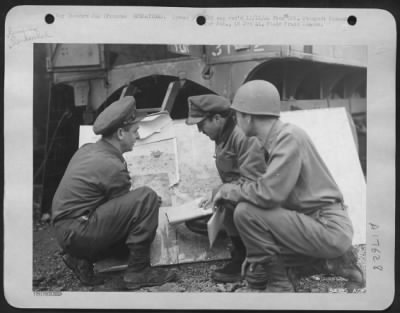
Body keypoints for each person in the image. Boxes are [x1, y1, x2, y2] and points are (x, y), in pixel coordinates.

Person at [212, 80, 365, 292]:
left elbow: (268, 195)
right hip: (313, 221)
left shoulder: (288, 138)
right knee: (255, 270)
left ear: (248, 116)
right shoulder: (274, 139)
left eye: (237, 115)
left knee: (245, 212)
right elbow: (264, 187)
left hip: (327, 226)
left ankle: (281, 285)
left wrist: (232, 191)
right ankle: (333, 262)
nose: (236, 121)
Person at [51, 96, 176, 289]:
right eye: (134, 131)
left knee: (141, 207)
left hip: (66, 230)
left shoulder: (88, 150)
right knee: (146, 198)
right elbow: (126, 218)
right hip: (78, 230)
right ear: (120, 133)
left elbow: (113, 207)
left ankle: (80, 259)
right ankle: (138, 272)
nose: (138, 136)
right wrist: (147, 205)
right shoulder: (112, 165)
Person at [185, 94, 267, 283]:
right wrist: (216, 193)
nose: (199, 130)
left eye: (201, 124)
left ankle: (253, 260)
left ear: (217, 118)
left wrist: (223, 191)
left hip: (257, 201)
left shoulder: (242, 137)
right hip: (238, 194)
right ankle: (240, 252)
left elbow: (256, 184)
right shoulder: (223, 134)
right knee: (194, 221)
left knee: (230, 202)